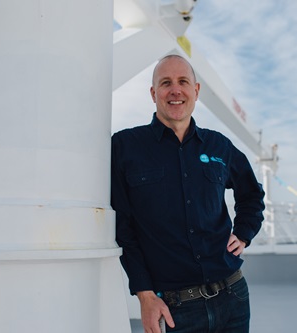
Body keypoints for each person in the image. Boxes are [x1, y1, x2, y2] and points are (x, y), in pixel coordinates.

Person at [111, 54, 265, 333]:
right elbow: (123, 228)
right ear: (153, 92)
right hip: (174, 310)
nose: (175, 90)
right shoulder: (125, 147)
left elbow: (252, 194)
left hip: (233, 297)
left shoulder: (219, 146)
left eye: (183, 81)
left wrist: (244, 232)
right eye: (165, 82)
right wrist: (145, 296)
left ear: (195, 91)